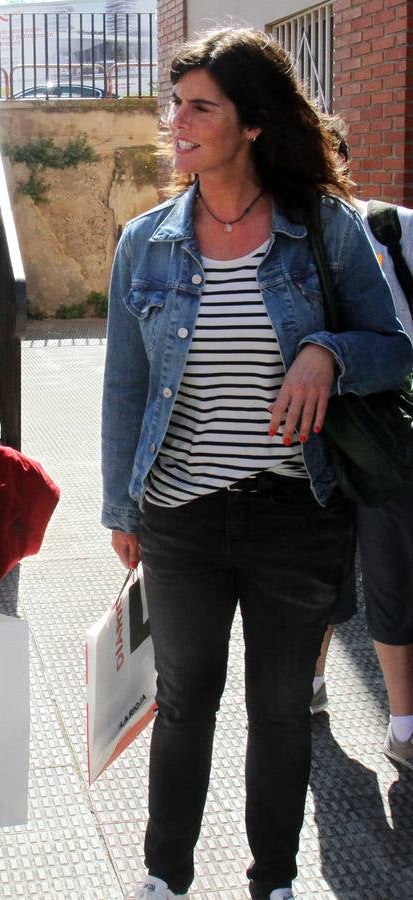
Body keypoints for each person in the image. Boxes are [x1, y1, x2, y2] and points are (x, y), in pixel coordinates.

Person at [100, 28, 413, 900]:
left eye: (202, 106)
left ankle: (271, 880)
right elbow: (125, 385)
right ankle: (167, 877)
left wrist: (327, 353)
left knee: (281, 713)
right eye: (177, 104)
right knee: (184, 703)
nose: (179, 123)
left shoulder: (326, 230)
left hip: (298, 513)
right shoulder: (147, 244)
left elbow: (394, 349)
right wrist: (121, 509)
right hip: (183, 518)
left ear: (253, 124)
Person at [311, 123, 413, 770]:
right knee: (319, 575)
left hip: (386, 442)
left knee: (392, 575)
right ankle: (309, 685)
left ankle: (403, 724)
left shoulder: (394, 229)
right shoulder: (284, 244)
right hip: (312, 437)